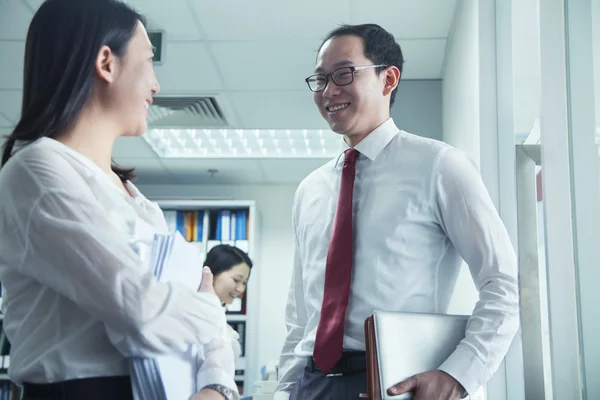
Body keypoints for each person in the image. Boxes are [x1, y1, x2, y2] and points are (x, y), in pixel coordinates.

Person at [0, 1, 237, 399]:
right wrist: (211, 309)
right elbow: (143, 312)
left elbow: (194, 328)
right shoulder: (37, 172)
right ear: (106, 62)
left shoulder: (137, 200)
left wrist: (216, 385)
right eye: (149, 61)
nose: (156, 85)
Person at [274, 23, 519, 400]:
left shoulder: (440, 166)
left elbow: (502, 282)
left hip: (394, 382)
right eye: (320, 79)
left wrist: (458, 374)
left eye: (343, 74)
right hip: (313, 384)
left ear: (388, 79)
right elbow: (300, 312)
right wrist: (286, 390)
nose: (328, 91)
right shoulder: (310, 190)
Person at [203, 244, 253, 360]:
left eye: (244, 283)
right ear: (213, 273)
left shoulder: (215, 312)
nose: (240, 289)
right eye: (236, 280)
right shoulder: (199, 312)